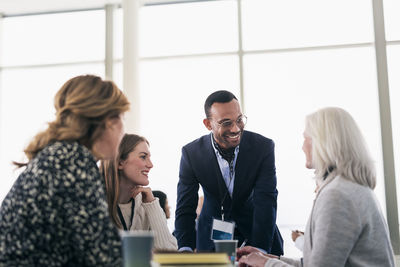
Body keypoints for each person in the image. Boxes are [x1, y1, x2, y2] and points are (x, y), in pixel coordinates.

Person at [237, 107, 395, 267]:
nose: (303, 147)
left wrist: (266, 264)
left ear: (325, 142)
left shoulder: (337, 195)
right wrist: (269, 259)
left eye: (306, 138)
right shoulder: (351, 188)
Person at [0, 74, 130, 266]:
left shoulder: (58, 156)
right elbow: (104, 257)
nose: (124, 130)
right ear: (108, 121)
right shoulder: (73, 162)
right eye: (121, 117)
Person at [174, 90, 283, 254]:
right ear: (208, 124)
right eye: (226, 123)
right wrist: (185, 248)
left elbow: (266, 200)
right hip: (211, 241)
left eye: (239, 120)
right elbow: (185, 206)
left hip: (257, 233)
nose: (235, 128)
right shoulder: (191, 153)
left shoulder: (263, 147)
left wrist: (261, 250)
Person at [101, 134, 178, 251]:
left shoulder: (145, 205)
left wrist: (152, 205)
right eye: (143, 157)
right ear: (120, 162)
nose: (150, 165)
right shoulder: (95, 202)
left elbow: (169, 253)